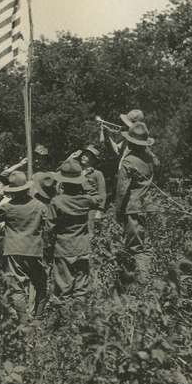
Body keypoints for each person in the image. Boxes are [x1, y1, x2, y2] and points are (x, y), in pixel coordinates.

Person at [0, 170, 48, 322]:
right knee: (41, 285)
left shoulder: (8, 208)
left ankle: (24, 323)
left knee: (17, 289)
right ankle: (38, 319)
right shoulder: (39, 205)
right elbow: (50, 227)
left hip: (13, 251)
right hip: (34, 250)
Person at [47, 159, 101, 303]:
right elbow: (98, 198)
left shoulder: (57, 202)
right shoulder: (86, 200)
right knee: (81, 288)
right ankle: (78, 318)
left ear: (63, 182)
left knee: (64, 289)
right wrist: (85, 182)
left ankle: (64, 319)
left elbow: (49, 227)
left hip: (63, 247)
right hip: (82, 246)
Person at [115, 122, 156, 284]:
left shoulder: (129, 161)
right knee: (145, 244)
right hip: (147, 206)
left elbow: (121, 190)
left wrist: (117, 211)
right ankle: (143, 278)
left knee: (135, 247)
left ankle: (140, 282)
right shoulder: (149, 158)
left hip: (133, 208)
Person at [79, 145, 107, 235]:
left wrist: (99, 211)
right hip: (77, 206)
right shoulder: (77, 171)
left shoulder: (97, 174)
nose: (83, 156)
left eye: (87, 155)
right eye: (83, 154)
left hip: (91, 208)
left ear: (93, 160)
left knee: (90, 232)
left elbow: (102, 193)